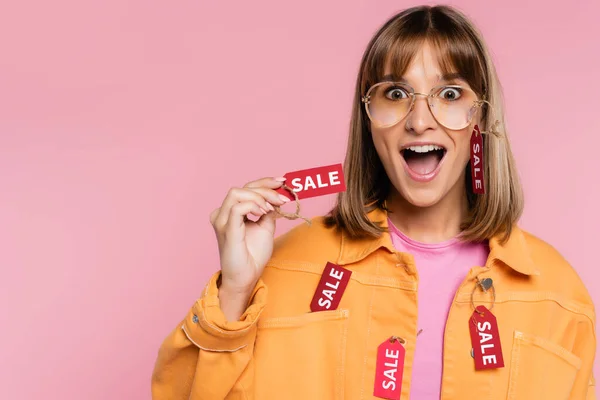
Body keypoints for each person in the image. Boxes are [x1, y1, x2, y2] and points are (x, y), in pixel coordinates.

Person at [151, 5, 596, 399]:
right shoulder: (284, 269)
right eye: (395, 95)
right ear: (368, 119)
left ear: (479, 115)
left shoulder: (559, 296)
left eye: (450, 94)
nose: (420, 121)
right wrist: (235, 291)